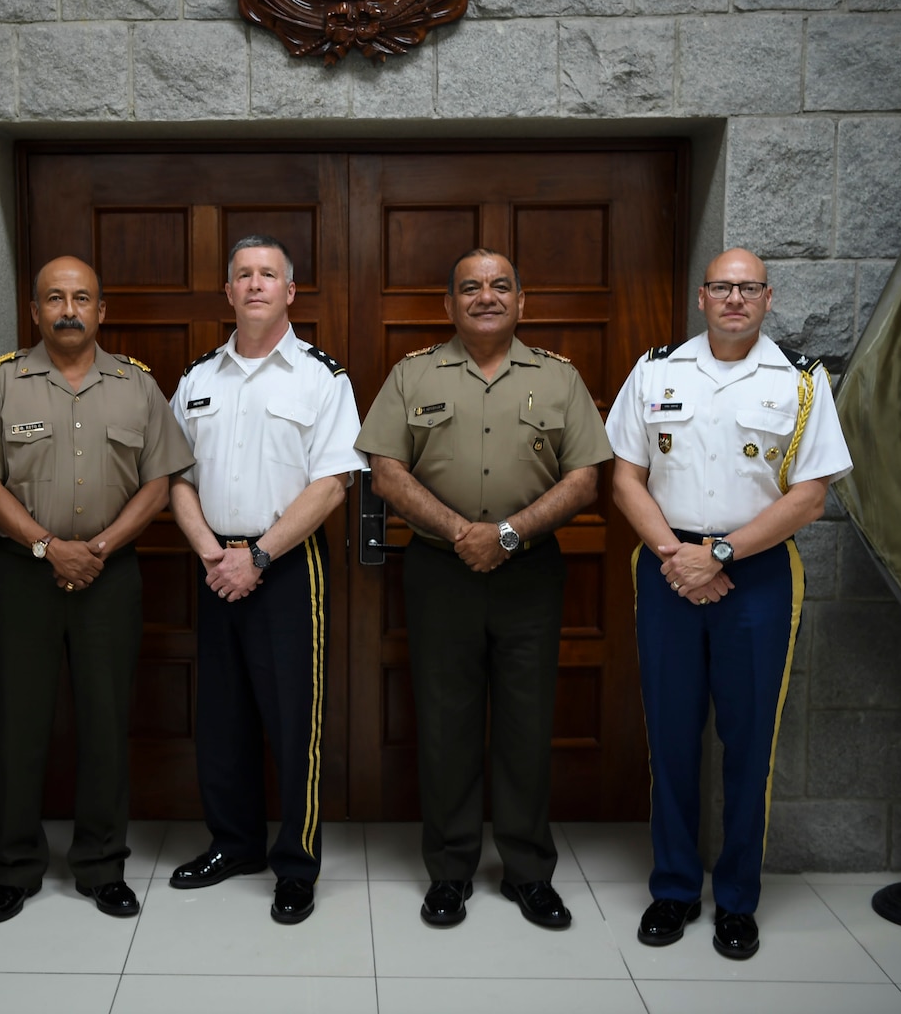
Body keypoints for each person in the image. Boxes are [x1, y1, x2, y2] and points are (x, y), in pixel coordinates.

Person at [605, 248, 851, 959]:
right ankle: (675, 888)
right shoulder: (656, 370)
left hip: (758, 576)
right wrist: (676, 557)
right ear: (702, 297)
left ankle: (738, 899)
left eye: (748, 288)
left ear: (768, 298)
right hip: (666, 564)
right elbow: (626, 477)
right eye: (722, 287)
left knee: (749, 745)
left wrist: (718, 554)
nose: (735, 298)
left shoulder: (801, 380)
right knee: (672, 737)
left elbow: (810, 494)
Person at [357, 248, 612, 930]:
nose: (486, 296)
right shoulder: (413, 375)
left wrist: (505, 535)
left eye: (501, 286)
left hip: (530, 571)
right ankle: (450, 871)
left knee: (528, 726)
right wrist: (462, 531)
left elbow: (586, 478)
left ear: (522, 303)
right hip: (441, 570)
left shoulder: (559, 378)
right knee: (446, 725)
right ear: (449, 305)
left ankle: (529, 872)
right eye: (470, 287)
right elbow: (385, 470)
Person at [0, 256, 194, 923]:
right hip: (20, 576)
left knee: (105, 721)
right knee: (20, 725)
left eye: (82, 297)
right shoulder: (3, 384)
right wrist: (47, 545)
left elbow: (159, 482)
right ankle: (17, 868)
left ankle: (100, 864)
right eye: (55, 298)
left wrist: (99, 548)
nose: (69, 309)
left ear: (101, 310)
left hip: (109, 575)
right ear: (34, 311)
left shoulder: (137, 387)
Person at [166, 234, 363, 924]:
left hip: (286, 565)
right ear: (228, 292)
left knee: (292, 719)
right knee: (221, 716)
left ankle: (295, 865)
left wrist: (258, 555)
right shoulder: (197, 380)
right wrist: (213, 553)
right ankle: (234, 844)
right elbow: (175, 479)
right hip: (215, 563)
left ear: (289, 292)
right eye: (242, 275)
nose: (254, 285)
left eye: (267, 275)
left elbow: (333, 485)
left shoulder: (321, 376)